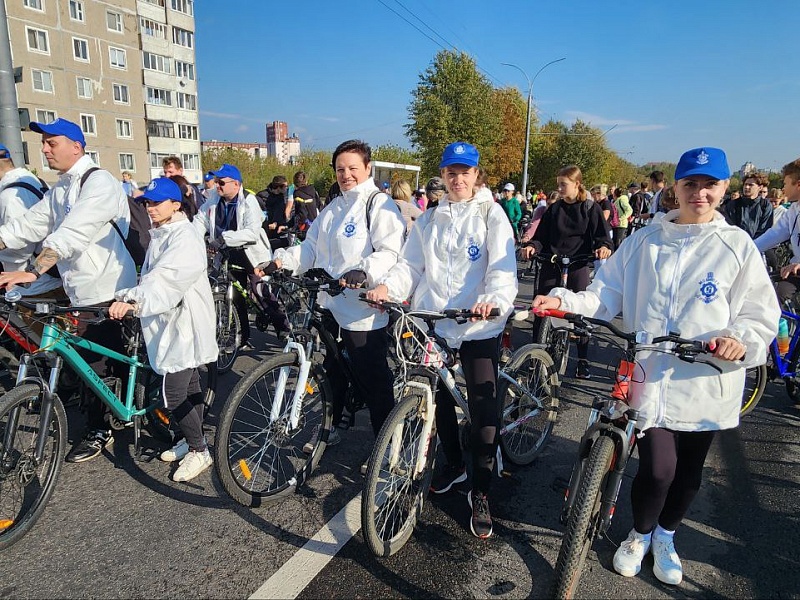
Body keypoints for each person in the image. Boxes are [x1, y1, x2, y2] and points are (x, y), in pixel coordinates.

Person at [532, 146, 777, 587]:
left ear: (724, 189)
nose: (699, 193)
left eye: (710, 185)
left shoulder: (736, 246)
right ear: (677, 188)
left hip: (707, 377)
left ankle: (667, 535)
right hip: (651, 372)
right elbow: (607, 295)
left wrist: (740, 341)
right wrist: (565, 301)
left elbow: (759, 314)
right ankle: (640, 534)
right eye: (691, 184)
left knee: (688, 470)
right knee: (658, 466)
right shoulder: (645, 240)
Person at [367, 141, 517, 539]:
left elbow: (502, 269)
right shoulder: (430, 218)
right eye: (451, 172)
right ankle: (455, 463)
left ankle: (481, 492)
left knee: (484, 415)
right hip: (436, 322)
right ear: (443, 175)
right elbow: (411, 266)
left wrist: (493, 301)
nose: (458, 179)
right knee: (441, 399)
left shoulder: (491, 214)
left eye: (465, 172)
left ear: (476, 174)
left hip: (478, 325)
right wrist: (388, 288)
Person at [0, 117, 137, 463]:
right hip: (79, 291)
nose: (44, 149)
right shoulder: (60, 188)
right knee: (88, 362)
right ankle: (104, 417)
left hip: (111, 288)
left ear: (76, 146)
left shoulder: (99, 182)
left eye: (51, 142)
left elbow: (74, 233)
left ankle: (104, 426)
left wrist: (31, 271)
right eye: (43, 142)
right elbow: (26, 226)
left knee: (104, 361)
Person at [259, 139, 405, 455]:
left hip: (363, 309)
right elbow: (310, 249)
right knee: (333, 370)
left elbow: (390, 252)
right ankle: (331, 428)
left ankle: (387, 449)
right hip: (329, 302)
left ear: (368, 168)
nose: (346, 174)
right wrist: (281, 260)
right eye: (340, 169)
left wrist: (363, 272)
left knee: (374, 380)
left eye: (353, 168)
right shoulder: (333, 207)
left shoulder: (378, 205)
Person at [109, 178, 217, 481]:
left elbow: (168, 280)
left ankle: (200, 450)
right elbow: (152, 277)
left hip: (185, 324)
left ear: (176, 205)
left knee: (173, 393)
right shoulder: (163, 233)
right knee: (191, 385)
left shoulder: (184, 237)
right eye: (147, 203)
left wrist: (136, 302)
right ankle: (191, 439)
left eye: (157, 202)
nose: (150, 208)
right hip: (171, 322)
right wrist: (129, 294)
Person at [520, 165, 612, 379]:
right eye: (558, 184)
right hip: (553, 262)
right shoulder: (555, 209)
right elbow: (541, 237)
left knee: (581, 313)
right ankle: (536, 357)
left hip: (578, 263)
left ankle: (582, 359)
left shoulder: (590, 208)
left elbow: (602, 236)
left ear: (577, 184)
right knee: (540, 309)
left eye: (564, 184)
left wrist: (603, 247)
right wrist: (533, 246)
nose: (559, 188)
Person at [194, 163, 283, 347]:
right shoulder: (213, 199)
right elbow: (199, 221)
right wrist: (192, 239)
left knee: (259, 290)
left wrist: (223, 239)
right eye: (216, 182)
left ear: (236, 184)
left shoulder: (249, 201)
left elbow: (251, 232)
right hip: (227, 254)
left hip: (250, 254)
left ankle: (283, 327)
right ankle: (242, 337)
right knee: (235, 297)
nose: (217, 185)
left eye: (221, 182)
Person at [0, 143, 63, 297]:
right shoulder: (35, 181)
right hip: (50, 279)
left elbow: (19, 248)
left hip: (31, 287)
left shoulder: (11, 196)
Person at [755, 157, 800, 307]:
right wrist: (746, 250)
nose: (783, 188)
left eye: (786, 183)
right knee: (766, 289)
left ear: (798, 185)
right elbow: (774, 234)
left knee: (780, 295)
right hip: (796, 271)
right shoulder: (794, 210)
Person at [721, 172, 773, 240]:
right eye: (745, 184)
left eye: (750, 185)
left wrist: (753, 244)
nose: (746, 187)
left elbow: (764, 229)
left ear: (760, 187)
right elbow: (729, 228)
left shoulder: (765, 205)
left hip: (757, 246)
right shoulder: (733, 204)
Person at [257, 175, 291, 250]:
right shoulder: (262, 196)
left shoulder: (282, 196)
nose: (287, 188)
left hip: (278, 229)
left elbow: (280, 212)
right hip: (265, 228)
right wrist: (266, 224)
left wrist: (278, 222)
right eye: (285, 186)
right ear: (279, 187)